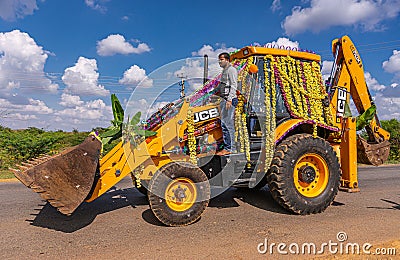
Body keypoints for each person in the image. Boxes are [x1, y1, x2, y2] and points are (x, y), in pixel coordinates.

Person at [216, 52, 237, 156]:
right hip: (223, 99)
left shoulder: (231, 70)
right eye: (219, 60)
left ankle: (230, 148)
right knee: (223, 124)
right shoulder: (224, 71)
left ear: (227, 60)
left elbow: (234, 85)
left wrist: (229, 100)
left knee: (227, 124)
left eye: (221, 59)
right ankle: (227, 146)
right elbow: (221, 86)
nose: (220, 61)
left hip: (229, 100)